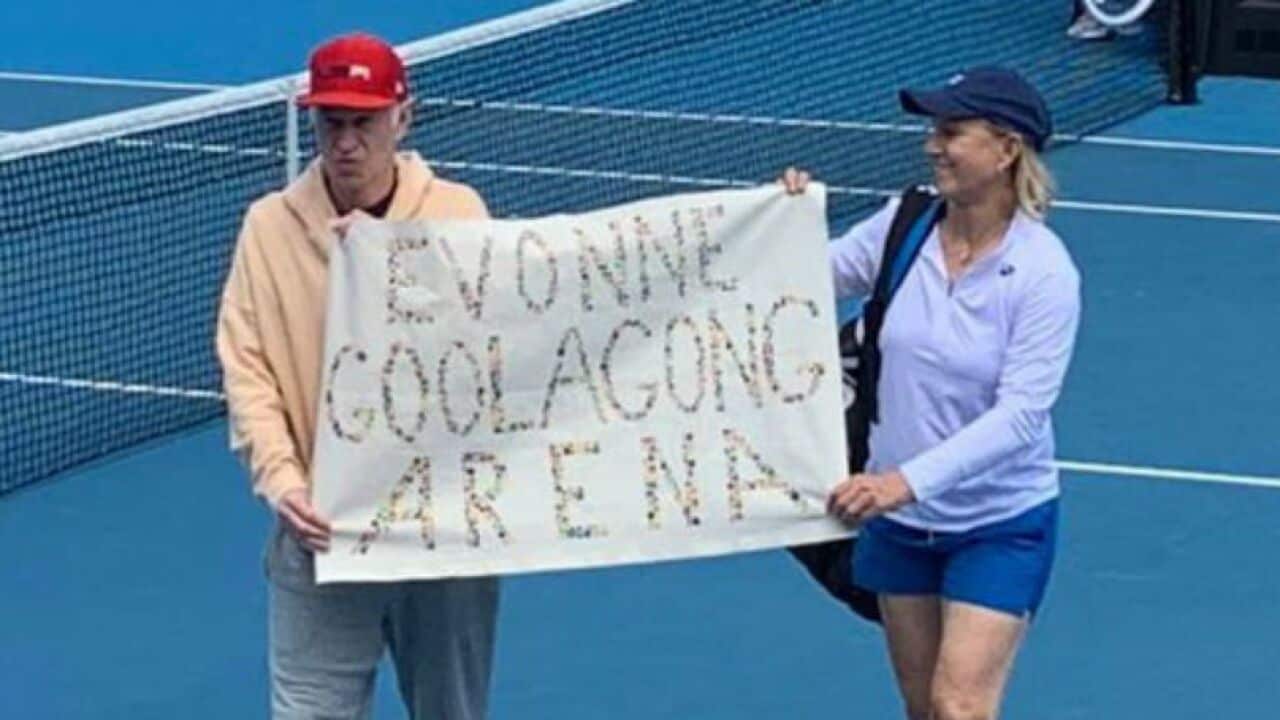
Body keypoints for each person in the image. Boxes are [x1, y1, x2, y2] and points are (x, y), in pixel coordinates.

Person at [781, 67, 1081, 720]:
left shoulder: (1043, 272)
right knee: (924, 710)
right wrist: (783, 217)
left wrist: (902, 482)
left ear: (1006, 151)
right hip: (900, 527)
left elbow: (1021, 416)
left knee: (959, 707)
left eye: (952, 132)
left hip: (999, 524)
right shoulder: (905, 224)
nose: (932, 145)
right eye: (932, 130)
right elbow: (807, 277)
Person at [216, 33, 499, 719]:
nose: (345, 143)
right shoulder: (268, 229)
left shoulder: (460, 215)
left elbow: (498, 354)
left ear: (403, 117)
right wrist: (283, 483)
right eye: (331, 122)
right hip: (321, 539)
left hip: (442, 545)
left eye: (363, 123)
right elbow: (247, 369)